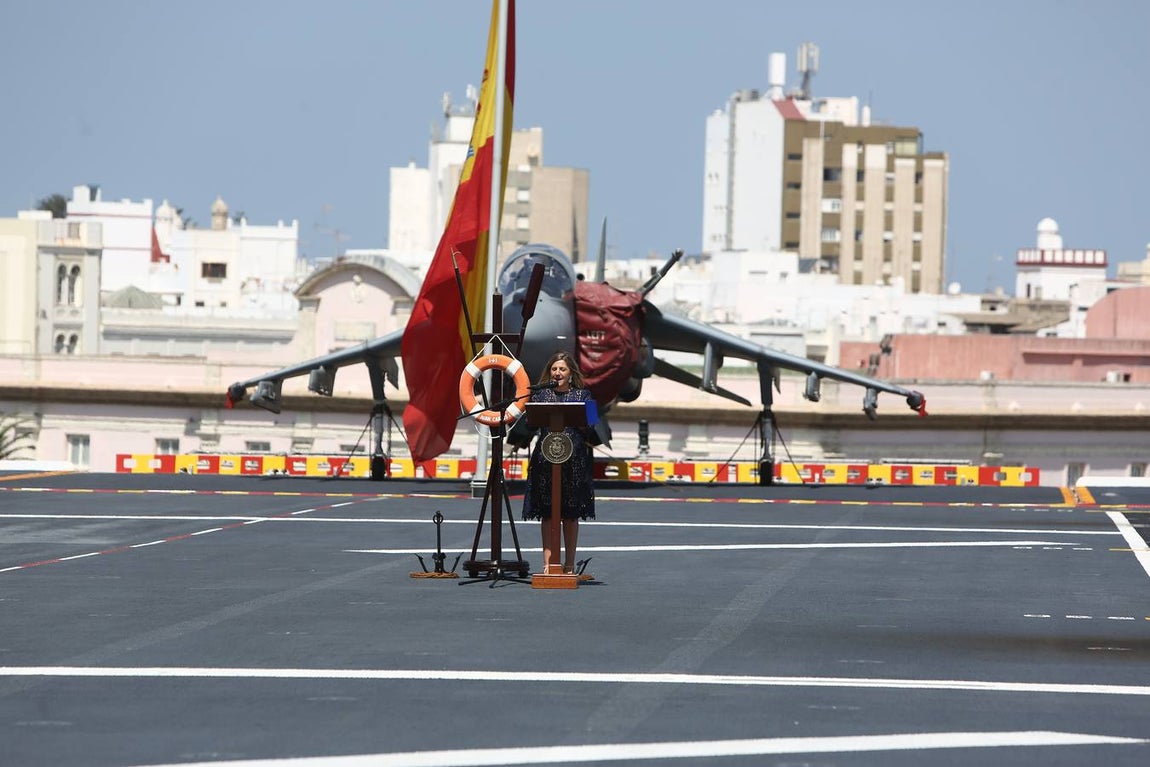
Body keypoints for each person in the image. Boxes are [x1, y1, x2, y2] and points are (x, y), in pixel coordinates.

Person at [521, 350, 595, 574]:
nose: (557, 373)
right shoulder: (539, 396)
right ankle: (548, 565)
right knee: (547, 513)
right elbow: (529, 424)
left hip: (574, 463)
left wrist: (581, 420)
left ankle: (570, 565)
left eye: (562, 369)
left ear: (571, 373)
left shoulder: (585, 396)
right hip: (545, 462)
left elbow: (593, 424)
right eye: (554, 369)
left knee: (570, 514)